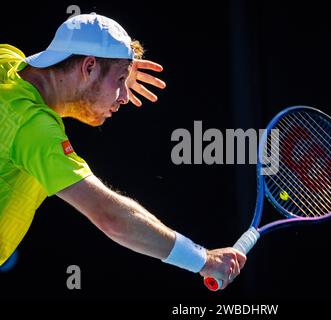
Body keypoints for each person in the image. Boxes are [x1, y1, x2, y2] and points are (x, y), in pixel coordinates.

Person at [0, 13, 245, 289]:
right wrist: (204, 260)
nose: (124, 96)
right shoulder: (35, 131)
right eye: (120, 81)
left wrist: (114, 69)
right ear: (89, 66)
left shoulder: (7, 61)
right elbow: (111, 217)